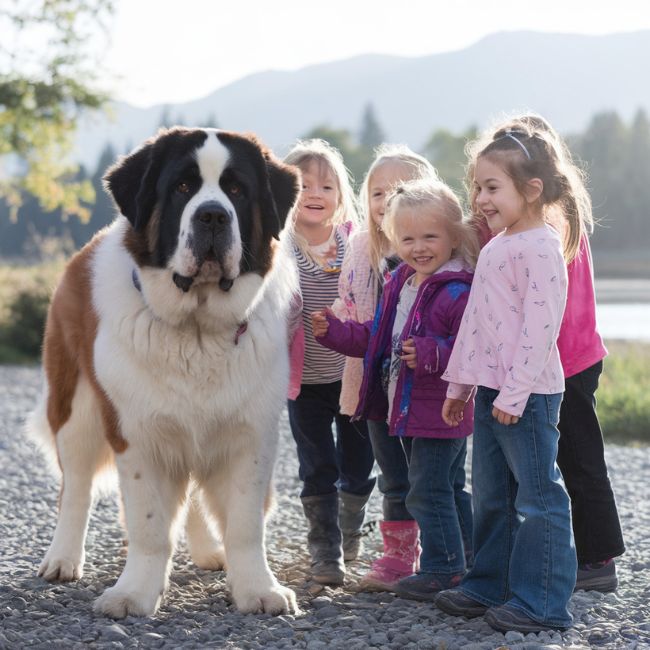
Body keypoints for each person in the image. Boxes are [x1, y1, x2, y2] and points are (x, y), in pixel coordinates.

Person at [467, 114, 625, 593]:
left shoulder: (549, 224)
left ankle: (597, 558)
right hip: (544, 358)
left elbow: (549, 306)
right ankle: (532, 560)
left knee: (576, 457)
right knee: (547, 465)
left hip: (564, 356)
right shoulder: (521, 221)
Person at [437, 117, 581, 633]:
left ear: (532, 189)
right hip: (493, 390)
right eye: (477, 187)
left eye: (492, 187)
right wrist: (461, 384)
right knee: (492, 494)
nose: (480, 198)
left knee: (538, 498)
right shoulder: (498, 245)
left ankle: (541, 601)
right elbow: (479, 323)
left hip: (528, 394)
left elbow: (540, 331)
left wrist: (516, 393)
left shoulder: (542, 246)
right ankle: (488, 583)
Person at [313, 177, 478, 599]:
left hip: (442, 408)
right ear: (392, 239)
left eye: (430, 237)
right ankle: (470, 558)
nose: (419, 247)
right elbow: (377, 338)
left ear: (454, 236)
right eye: (407, 238)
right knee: (444, 486)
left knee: (429, 487)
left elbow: (471, 347)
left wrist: (430, 353)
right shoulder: (401, 281)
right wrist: (335, 333)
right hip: (405, 405)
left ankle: (443, 567)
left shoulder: (457, 290)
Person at [332, 145, 452, 590]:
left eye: (400, 189)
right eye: (377, 192)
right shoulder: (362, 247)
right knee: (394, 475)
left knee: (437, 476)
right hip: (377, 381)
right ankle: (399, 559)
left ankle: (450, 555)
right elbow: (352, 308)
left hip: (427, 387)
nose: (386, 200)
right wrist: (332, 325)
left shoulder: (437, 253)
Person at [285, 139, 375, 586]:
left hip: (352, 376)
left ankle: (349, 528)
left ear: (341, 196)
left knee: (358, 465)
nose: (314, 193)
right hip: (306, 382)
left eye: (326, 186)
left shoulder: (356, 243)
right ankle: (325, 550)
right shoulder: (279, 246)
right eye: (302, 185)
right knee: (318, 464)